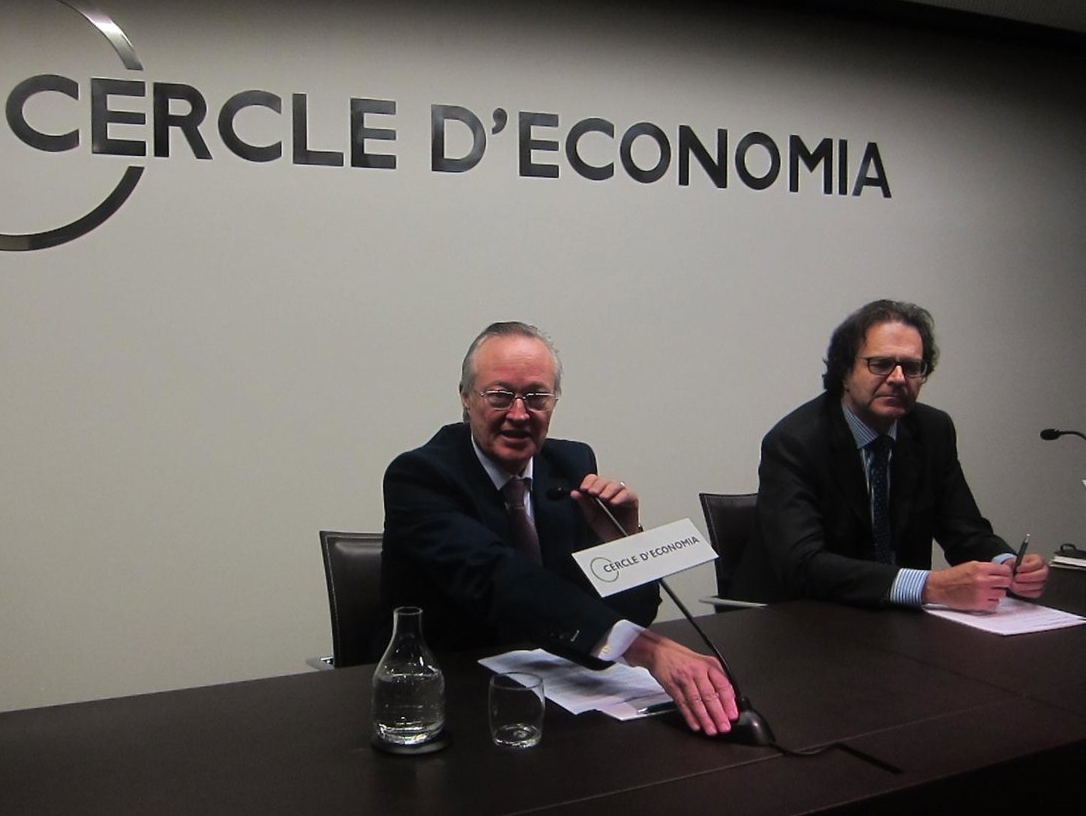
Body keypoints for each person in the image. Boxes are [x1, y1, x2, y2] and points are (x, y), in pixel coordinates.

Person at [380, 321, 738, 735]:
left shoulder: (571, 465)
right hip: (446, 698)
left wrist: (622, 540)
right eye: (500, 396)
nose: (519, 414)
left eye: (536, 397)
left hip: (558, 697)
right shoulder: (420, 475)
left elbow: (632, 613)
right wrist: (646, 649)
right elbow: (497, 577)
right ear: (466, 397)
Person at [731, 299, 1048, 610]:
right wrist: (930, 587)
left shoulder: (933, 431)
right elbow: (804, 565)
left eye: (912, 368)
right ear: (845, 371)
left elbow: (964, 532)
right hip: (797, 618)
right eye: (880, 364)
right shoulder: (794, 442)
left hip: (894, 619)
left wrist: (1007, 565)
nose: (898, 379)